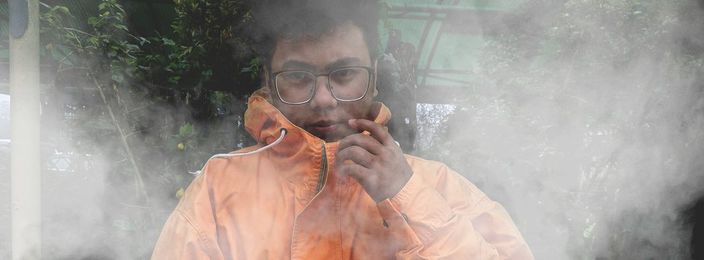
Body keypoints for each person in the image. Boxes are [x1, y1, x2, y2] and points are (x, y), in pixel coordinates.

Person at [151, 0, 533, 259]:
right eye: (298, 76)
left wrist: (408, 198)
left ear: (375, 77)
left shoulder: (440, 187)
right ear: (269, 80)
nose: (323, 100)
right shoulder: (219, 189)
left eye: (344, 73)